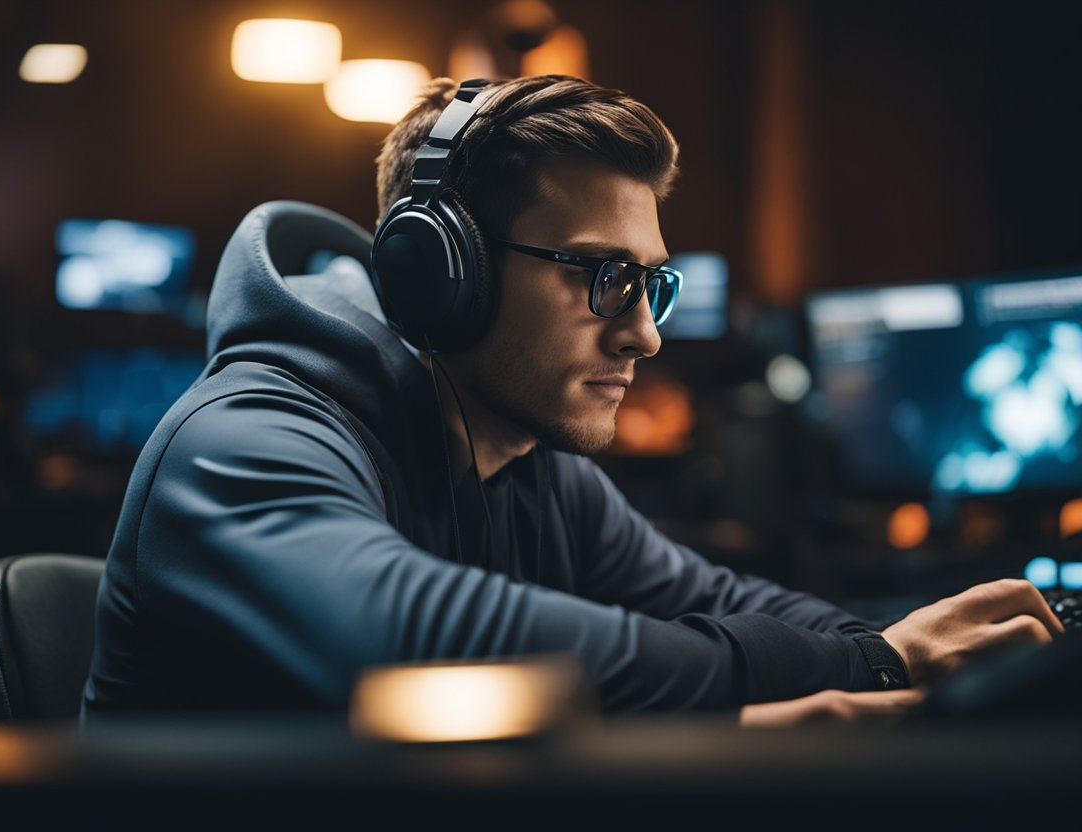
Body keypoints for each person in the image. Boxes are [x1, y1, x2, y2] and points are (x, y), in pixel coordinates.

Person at [82, 75, 1063, 726]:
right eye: (600, 275)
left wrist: (931, 653)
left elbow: (719, 603)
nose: (644, 333)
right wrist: (870, 668)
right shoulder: (249, 435)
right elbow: (413, 637)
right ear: (440, 271)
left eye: (651, 284)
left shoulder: (526, 463)